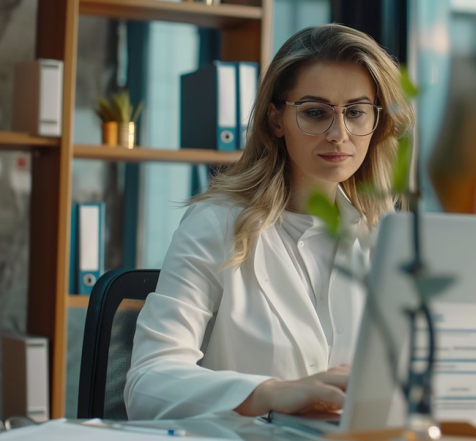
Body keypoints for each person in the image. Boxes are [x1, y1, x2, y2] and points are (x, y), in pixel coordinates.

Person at [124, 24, 415, 420]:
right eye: (316, 113)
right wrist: (271, 393)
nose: (338, 134)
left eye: (356, 112)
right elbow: (147, 382)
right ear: (276, 119)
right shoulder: (216, 224)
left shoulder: (385, 237)